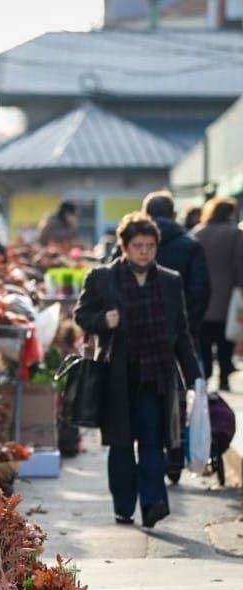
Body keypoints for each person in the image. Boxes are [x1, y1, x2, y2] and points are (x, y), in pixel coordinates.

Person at [74, 212, 201, 528]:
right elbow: (81, 315)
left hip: (157, 375)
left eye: (149, 245)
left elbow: (182, 333)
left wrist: (194, 374)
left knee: (152, 441)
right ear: (125, 247)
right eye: (138, 246)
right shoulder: (103, 278)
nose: (144, 251)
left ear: (156, 247)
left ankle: (153, 502)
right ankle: (124, 505)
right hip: (118, 375)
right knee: (120, 445)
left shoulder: (170, 281)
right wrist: (103, 321)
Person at [139, 190, 210, 338]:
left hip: (137, 330)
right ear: (174, 214)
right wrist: (187, 326)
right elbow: (200, 290)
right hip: (179, 331)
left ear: (145, 214)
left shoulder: (128, 244)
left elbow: (113, 283)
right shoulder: (191, 245)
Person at [191, 197, 243, 389]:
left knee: (203, 340)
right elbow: (240, 263)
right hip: (227, 296)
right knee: (225, 339)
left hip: (202, 296)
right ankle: (224, 378)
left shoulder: (198, 233)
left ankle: (204, 377)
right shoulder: (235, 234)